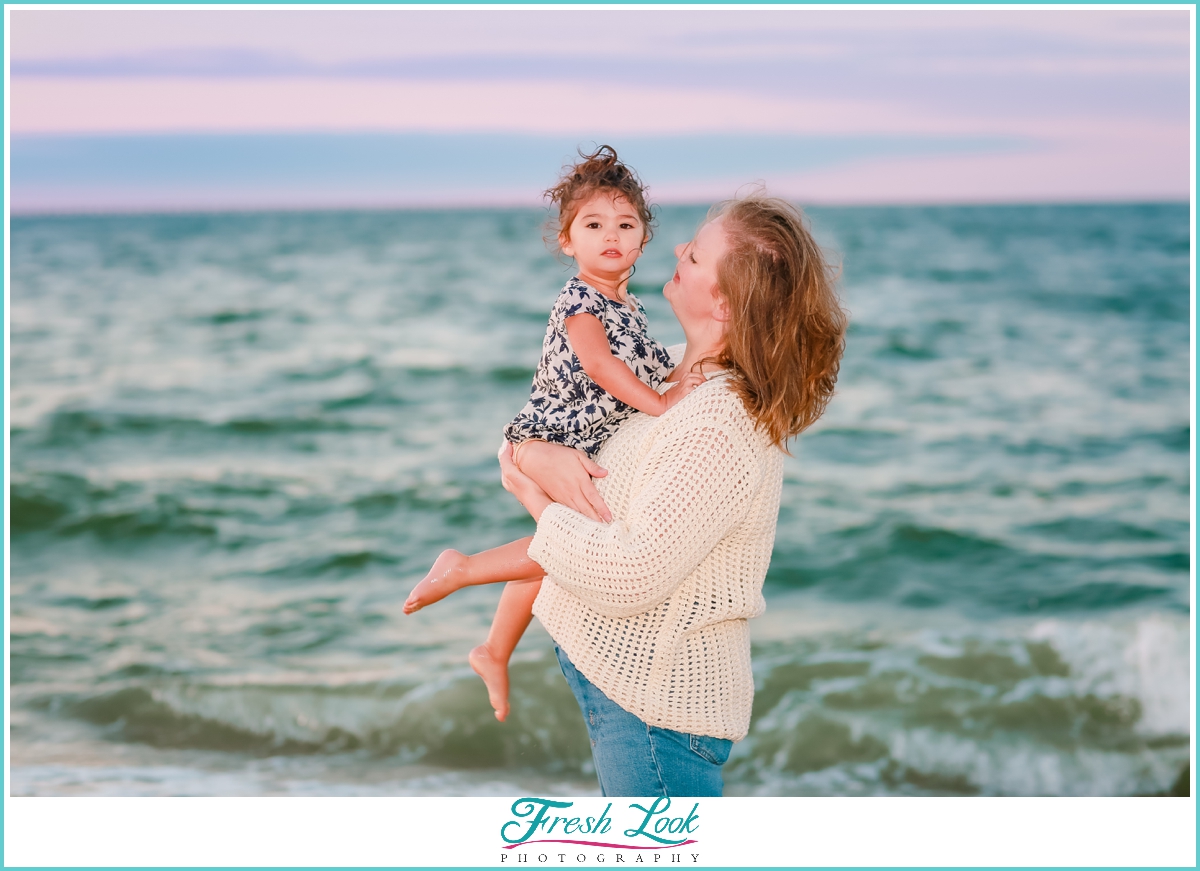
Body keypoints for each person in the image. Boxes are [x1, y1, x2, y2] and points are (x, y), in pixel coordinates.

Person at [495, 194, 847, 796]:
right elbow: (574, 443)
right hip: (628, 697)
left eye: (698, 253)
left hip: (657, 714)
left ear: (725, 302)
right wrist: (527, 453)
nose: (679, 250)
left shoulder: (718, 420)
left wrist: (534, 496)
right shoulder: (670, 374)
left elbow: (633, 573)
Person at [403, 146, 704, 721]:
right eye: (593, 225)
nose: (610, 235)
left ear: (644, 239)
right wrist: (664, 404)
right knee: (574, 545)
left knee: (555, 547)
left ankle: (494, 650)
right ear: (567, 241)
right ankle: (462, 568)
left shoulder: (628, 307)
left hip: (575, 443)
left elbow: (645, 363)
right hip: (551, 437)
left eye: (625, 224)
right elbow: (602, 369)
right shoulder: (581, 302)